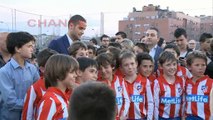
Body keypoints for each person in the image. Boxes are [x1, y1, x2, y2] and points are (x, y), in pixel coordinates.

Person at [0, 32, 40, 120]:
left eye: (32, 46)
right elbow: (11, 102)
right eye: (29, 46)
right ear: (18, 48)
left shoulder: (32, 69)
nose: (32, 49)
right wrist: (32, 104)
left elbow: (39, 90)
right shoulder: (4, 72)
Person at [36, 54, 79, 120]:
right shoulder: (50, 100)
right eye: (72, 72)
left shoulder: (63, 97)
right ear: (59, 74)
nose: (76, 75)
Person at [22, 48, 58, 120]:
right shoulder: (35, 89)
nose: (58, 69)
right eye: (53, 66)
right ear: (42, 69)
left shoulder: (63, 85)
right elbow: (27, 115)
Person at [119, 50, 154, 120]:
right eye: (126, 65)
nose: (130, 67)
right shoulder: (120, 82)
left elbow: (150, 102)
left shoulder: (145, 81)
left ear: (136, 64)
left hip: (141, 118)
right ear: (121, 67)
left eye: (132, 63)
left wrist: (149, 118)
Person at [153, 51, 184, 120]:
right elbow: (155, 105)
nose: (172, 67)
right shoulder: (157, 82)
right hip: (162, 117)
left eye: (174, 64)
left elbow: (183, 101)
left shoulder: (181, 81)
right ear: (161, 66)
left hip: (177, 117)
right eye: (168, 65)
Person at [185, 51, 213, 120]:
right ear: (189, 66)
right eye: (197, 65)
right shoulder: (186, 83)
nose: (200, 68)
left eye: (203, 65)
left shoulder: (211, 83)